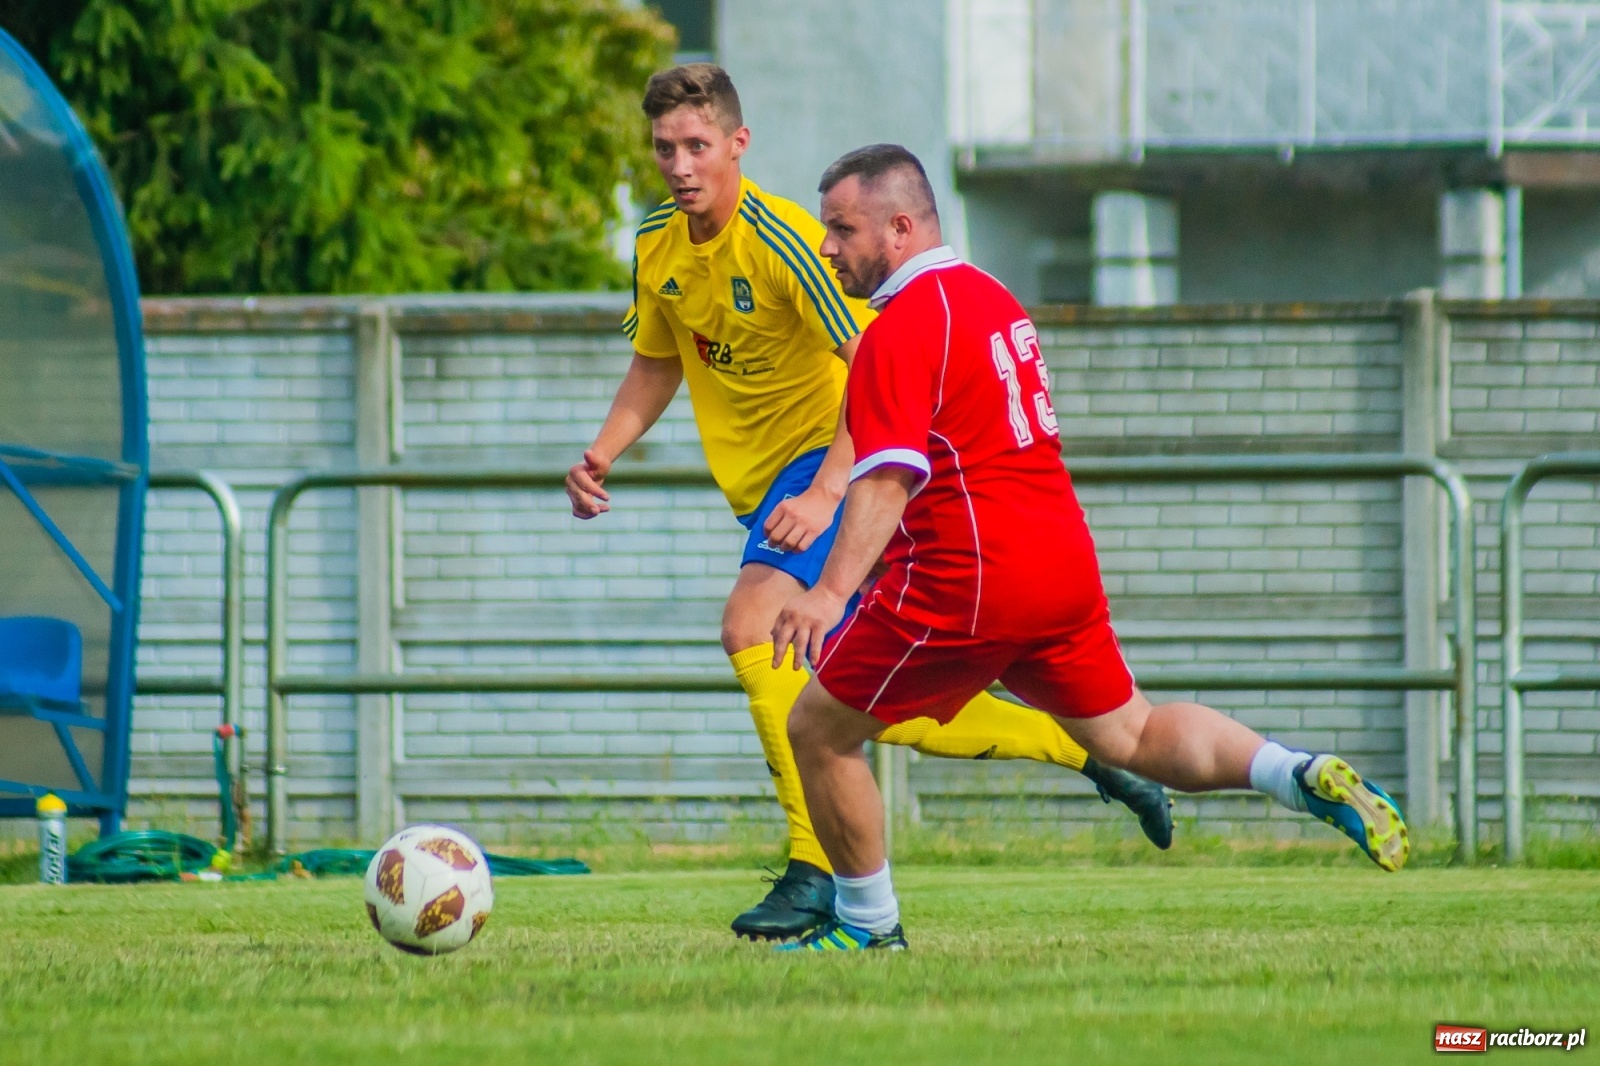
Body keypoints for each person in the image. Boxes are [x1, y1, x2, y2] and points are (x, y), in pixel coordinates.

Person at [565, 65, 1173, 942]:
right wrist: (602, 452)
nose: (680, 164)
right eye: (665, 147)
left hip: (826, 467)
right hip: (767, 492)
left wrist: (825, 488)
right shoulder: (657, 239)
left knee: (752, 626)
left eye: (698, 145)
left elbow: (879, 365)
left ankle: (816, 872)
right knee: (879, 700)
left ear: (738, 145)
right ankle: (1090, 750)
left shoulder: (784, 244)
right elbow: (660, 358)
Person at [772, 144, 1410, 952]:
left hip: (970, 577)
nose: (828, 247)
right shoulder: (992, 298)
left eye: (842, 228)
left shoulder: (899, 327)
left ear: (900, 227)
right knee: (1130, 735)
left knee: (819, 730)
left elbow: (887, 477)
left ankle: (867, 930)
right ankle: (1295, 772)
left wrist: (829, 593)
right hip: (1060, 562)